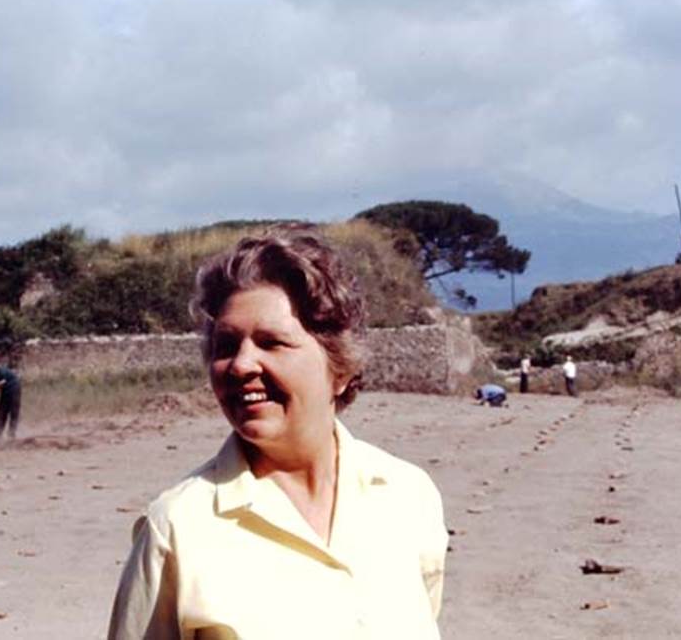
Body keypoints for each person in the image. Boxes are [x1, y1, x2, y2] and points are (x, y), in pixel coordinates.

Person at [108, 229, 448, 639]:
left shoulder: (408, 496)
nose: (240, 365)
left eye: (272, 343)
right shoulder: (178, 527)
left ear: (339, 367)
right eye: (226, 345)